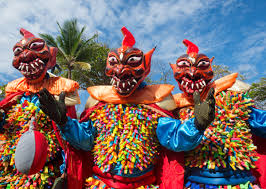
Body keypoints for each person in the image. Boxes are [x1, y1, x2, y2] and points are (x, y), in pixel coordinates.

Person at [39, 27, 216, 189]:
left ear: (146, 68)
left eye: (132, 63)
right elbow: (85, 140)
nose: (121, 70)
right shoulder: (99, 104)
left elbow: (174, 139)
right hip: (101, 184)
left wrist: (197, 125)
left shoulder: (154, 105)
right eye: (115, 63)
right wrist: (64, 122)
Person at [170, 39, 266, 188]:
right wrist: (196, 125)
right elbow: (174, 142)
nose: (193, 73)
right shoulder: (176, 109)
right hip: (198, 183)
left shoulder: (233, 97)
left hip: (242, 183)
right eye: (184, 66)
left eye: (201, 65)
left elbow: (261, 122)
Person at [0, 29, 80, 188]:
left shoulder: (62, 89)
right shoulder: (14, 93)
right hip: (10, 170)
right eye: (18, 51)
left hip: (46, 172)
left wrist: (65, 173)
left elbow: (69, 138)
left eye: (34, 47)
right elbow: (5, 126)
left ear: (51, 56)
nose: (25, 55)